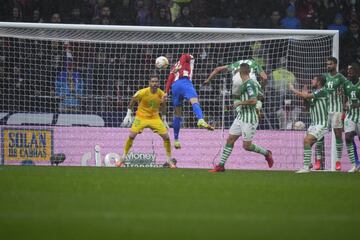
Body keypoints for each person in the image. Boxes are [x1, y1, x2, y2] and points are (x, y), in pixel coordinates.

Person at [209, 63, 274, 172]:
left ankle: (267, 153)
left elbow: (253, 101)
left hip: (249, 118)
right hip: (241, 117)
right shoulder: (252, 83)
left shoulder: (249, 84)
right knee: (230, 139)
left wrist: (240, 103)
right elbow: (260, 96)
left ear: (240, 73)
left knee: (247, 146)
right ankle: (221, 165)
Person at [116, 75, 176, 168]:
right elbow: (133, 100)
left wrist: (164, 119)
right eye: (152, 82)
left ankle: (169, 160)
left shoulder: (161, 93)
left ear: (158, 83)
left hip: (154, 118)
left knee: (167, 137)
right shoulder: (143, 92)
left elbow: (163, 105)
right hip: (141, 117)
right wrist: (128, 114)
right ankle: (123, 158)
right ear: (149, 83)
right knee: (131, 136)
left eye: (156, 82)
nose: (154, 83)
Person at [165, 53, 214, 149]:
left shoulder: (173, 68)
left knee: (177, 114)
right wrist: (183, 62)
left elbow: (169, 79)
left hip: (175, 87)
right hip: (185, 82)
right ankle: (200, 119)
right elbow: (184, 56)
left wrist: (166, 92)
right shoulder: (188, 58)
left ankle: (176, 140)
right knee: (194, 101)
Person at [288, 75, 329, 173]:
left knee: (307, 140)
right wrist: (304, 96)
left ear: (319, 82)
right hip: (314, 124)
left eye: (314, 80)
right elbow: (306, 106)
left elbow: (306, 96)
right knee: (307, 143)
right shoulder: (315, 93)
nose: (312, 81)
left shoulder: (322, 91)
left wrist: (293, 90)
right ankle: (308, 164)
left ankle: (306, 167)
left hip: (322, 123)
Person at [315, 57, 347, 171]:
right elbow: (318, 88)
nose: (328, 66)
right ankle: (318, 160)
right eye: (327, 64)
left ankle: (338, 161)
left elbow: (347, 90)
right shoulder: (323, 77)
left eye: (330, 64)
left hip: (337, 110)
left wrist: (345, 105)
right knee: (319, 133)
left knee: (338, 134)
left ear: (335, 64)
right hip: (325, 109)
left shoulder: (341, 78)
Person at [344, 63, 360, 172]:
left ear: (357, 73)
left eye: (351, 72)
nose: (348, 74)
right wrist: (344, 105)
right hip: (350, 115)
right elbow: (345, 98)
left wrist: (357, 105)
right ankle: (355, 163)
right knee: (348, 137)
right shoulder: (346, 84)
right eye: (348, 72)